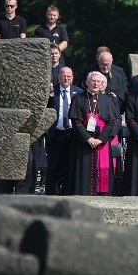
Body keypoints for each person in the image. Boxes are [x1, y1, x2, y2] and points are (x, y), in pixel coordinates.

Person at [69, 71, 121, 195]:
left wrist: (100, 139)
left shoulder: (107, 100)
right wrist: (88, 139)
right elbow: (76, 122)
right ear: (87, 82)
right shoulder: (78, 98)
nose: (96, 83)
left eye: (99, 81)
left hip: (101, 142)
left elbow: (110, 123)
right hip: (83, 143)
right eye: (93, 81)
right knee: (84, 171)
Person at [46, 67, 82, 195]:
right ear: (59, 77)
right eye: (63, 76)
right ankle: (51, 194)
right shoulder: (51, 91)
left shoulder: (79, 93)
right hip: (55, 134)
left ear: (72, 78)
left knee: (69, 166)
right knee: (53, 167)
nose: (66, 79)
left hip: (72, 135)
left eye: (68, 76)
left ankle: (67, 193)